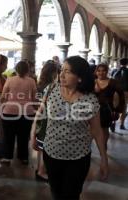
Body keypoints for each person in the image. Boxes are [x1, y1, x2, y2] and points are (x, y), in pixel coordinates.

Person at [32, 56, 108, 200]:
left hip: (78, 157)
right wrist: (33, 134)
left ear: (79, 77)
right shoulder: (51, 90)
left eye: (67, 71)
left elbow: (97, 131)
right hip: (52, 153)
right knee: (56, 192)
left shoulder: (90, 99)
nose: (61, 74)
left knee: (71, 195)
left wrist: (104, 159)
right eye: (62, 70)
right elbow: (41, 114)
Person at [0, 61, 37, 165]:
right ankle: (23, 157)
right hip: (27, 112)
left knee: (8, 135)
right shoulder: (32, 81)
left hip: (9, 110)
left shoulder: (10, 80)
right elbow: (34, 98)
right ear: (28, 70)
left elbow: (3, 96)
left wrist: (2, 107)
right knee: (24, 136)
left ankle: (7, 157)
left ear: (16, 69)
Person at [31, 60, 59, 182]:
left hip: (40, 115)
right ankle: (42, 171)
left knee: (40, 145)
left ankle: (39, 168)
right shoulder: (52, 86)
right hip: (47, 117)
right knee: (45, 146)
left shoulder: (40, 83)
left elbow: (37, 101)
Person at [94, 63, 125, 146]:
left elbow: (121, 96)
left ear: (107, 71)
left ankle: (104, 147)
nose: (101, 73)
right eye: (99, 71)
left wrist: (118, 110)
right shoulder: (93, 82)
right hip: (93, 109)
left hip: (107, 109)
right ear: (96, 72)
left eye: (104, 71)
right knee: (92, 129)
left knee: (104, 130)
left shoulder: (113, 82)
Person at [112, 58, 128, 130]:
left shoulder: (115, 71)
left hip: (115, 92)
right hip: (125, 92)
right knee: (124, 108)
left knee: (114, 107)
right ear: (127, 63)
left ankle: (113, 123)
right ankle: (121, 124)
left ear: (120, 63)